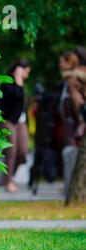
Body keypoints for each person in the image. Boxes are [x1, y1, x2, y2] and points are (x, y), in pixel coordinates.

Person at [0, 59, 31, 192]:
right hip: (8, 120)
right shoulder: (8, 82)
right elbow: (13, 96)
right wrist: (17, 79)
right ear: (19, 69)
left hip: (21, 121)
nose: (27, 75)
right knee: (11, 149)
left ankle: (10, 175)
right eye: (26, 71)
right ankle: (8, 181)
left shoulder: (22, 85)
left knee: (23, 150)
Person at [58, 51, 85, 195]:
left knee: (71, 154)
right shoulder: (77, 77)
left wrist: (81, 120)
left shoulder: (71, 79)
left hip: (74, 123)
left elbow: (76, 101)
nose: (59, 64)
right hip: (74, 121)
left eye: (62, 61)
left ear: (69, 62)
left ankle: (71, 187)